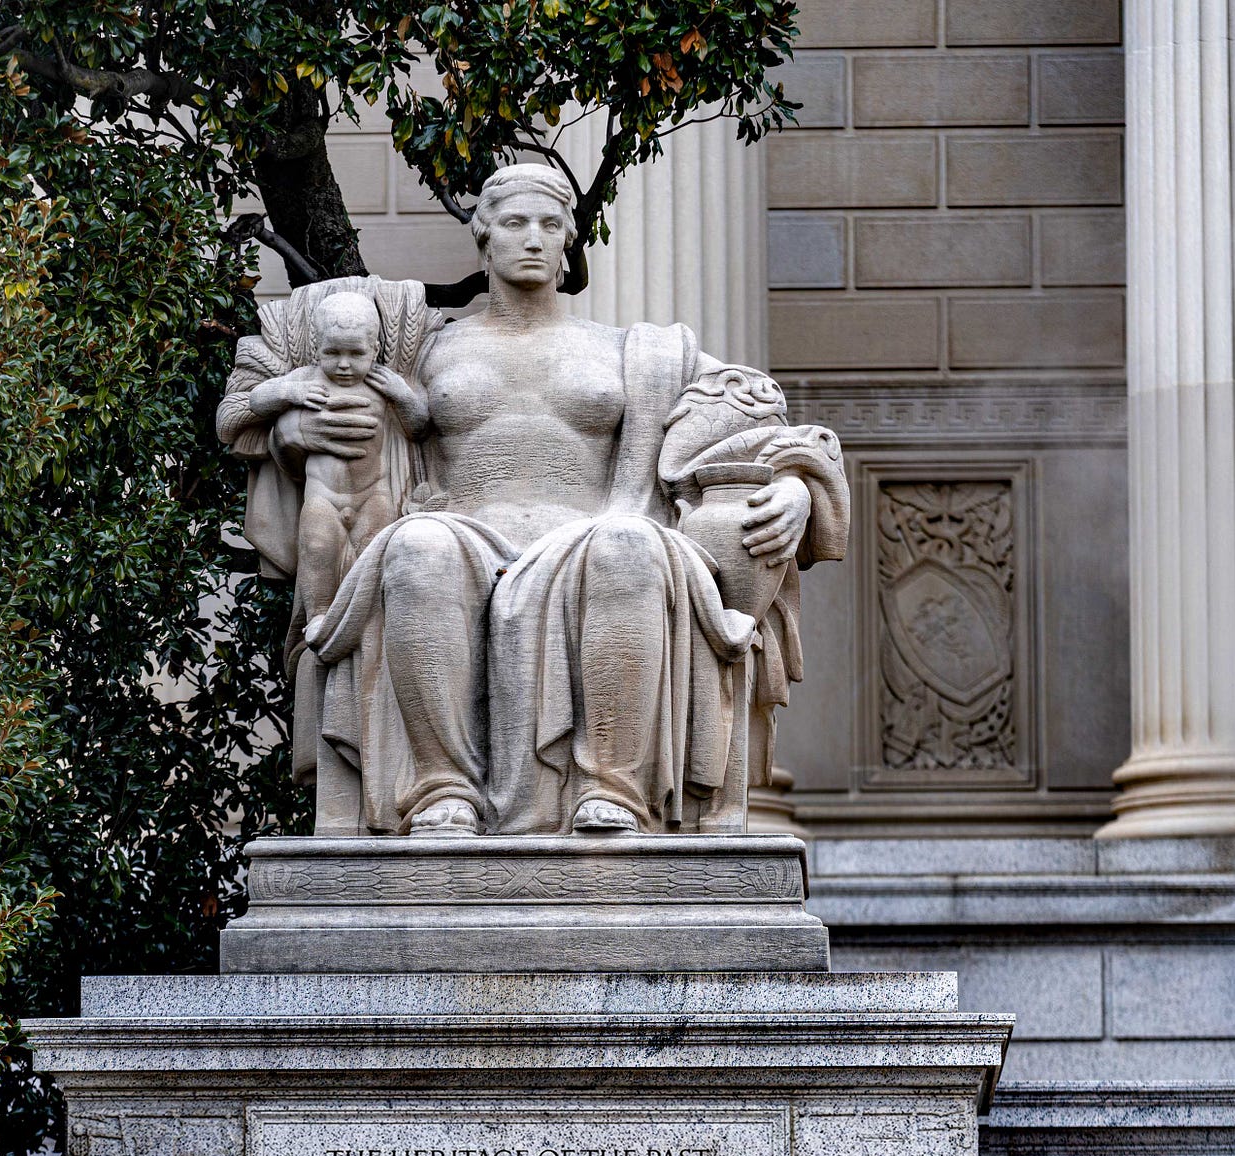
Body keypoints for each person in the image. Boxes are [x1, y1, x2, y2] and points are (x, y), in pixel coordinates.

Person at [219, 165, 849, 837]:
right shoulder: (418, 351)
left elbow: (756, 428)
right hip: (461, 535)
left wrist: (795, 489)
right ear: (483, 235)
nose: (533, 240)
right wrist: (292, 427)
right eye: (516, 223)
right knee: (415, 550)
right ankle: (441, 788)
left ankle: (612, 788)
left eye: (550, 226)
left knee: (629, 547)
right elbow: (294, 379)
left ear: (569, 242)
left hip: (597, 535)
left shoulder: (635, 354)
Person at [251, 290, 429, 624]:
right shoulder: (306, 379)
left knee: (372, 558)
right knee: (318, 552)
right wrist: (289, 392)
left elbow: (419, 427)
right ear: (317, 347)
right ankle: (318, 616)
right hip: (323, 497)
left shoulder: (383, 385)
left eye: (355, 353)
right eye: (332, 352)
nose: (343, 364)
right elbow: (257, 400)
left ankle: (366, 622)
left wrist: (403, 397)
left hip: (374, 495)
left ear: (374, 350)